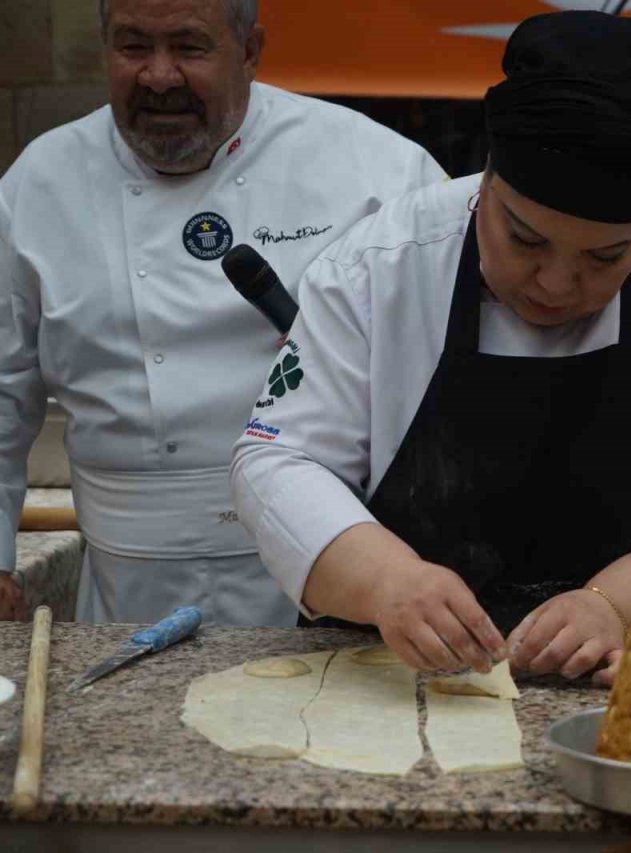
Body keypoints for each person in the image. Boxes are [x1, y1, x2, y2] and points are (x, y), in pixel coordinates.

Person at [230, 10, 631, 683]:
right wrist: (387, 579)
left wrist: (620, 600)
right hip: (397, 676)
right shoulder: (377, 269)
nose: (559, 284)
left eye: (607, 257)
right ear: (487, 185)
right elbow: (275, 461)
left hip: (624, 679)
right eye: (526, 240)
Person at [0, 0, 447, 625]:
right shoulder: (37, 184)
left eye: (188, 47)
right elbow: (3, 391)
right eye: (133, 47)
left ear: (250, 52)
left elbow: (447, 378)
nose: (159, 76)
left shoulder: (379, 171)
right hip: (126, 587)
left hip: (334, 574)